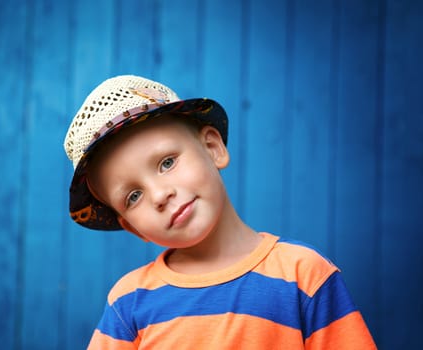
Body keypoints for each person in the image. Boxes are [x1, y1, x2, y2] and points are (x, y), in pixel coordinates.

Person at [63, 75, 376, 349]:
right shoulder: (129, 302)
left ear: (213, 148)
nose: (160, 195)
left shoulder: (303, 276)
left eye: (167, 162)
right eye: (133, 196)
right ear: (133, 228)